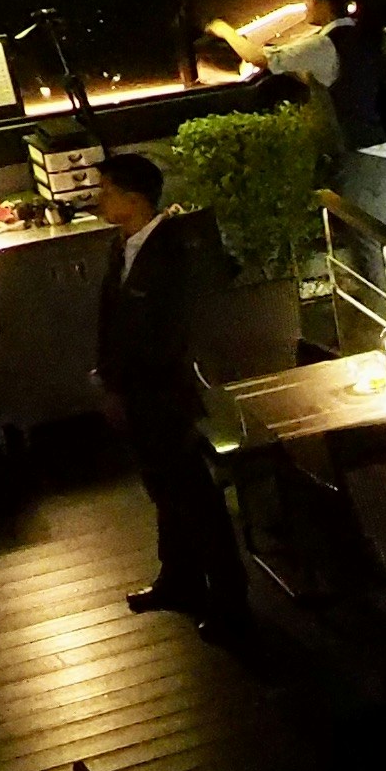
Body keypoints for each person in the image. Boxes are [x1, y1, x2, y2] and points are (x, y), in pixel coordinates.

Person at [92, 151, 240, 631]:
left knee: (193, 495)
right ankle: (179, 577)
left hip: (165, 393)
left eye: (107, 191)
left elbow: (171, 333)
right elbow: (111, 321)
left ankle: (229, 600)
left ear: (134, 199)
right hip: (137, 392)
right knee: (164, 489)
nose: (99, 199)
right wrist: (109, 379)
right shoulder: (123, 246)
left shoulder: (171, 253)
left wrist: (132, 384)